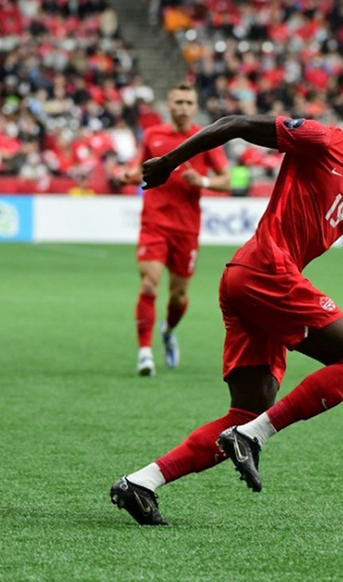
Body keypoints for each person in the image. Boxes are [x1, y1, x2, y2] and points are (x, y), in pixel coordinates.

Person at [110, 79, 343, 525]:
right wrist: (170, 163)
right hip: (267, 270)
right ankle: (253, 438)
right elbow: (235, 124)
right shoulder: (322, 140)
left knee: (247, 412)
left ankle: (141, 483)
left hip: (249, 280)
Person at [119, 82, 230, 377]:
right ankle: (145, 354)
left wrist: (203, 182)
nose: (182, 107)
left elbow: (227, 180)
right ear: (168, 105)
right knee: (148, 284)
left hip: (186, 229)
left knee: (178, 296)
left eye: (188, 103)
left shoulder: (205, 138)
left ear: (195, 107)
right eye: (177, 102)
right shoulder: (153, 135)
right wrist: (127, 175)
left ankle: (168, 332)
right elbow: (138, 168)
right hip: (154, 223)